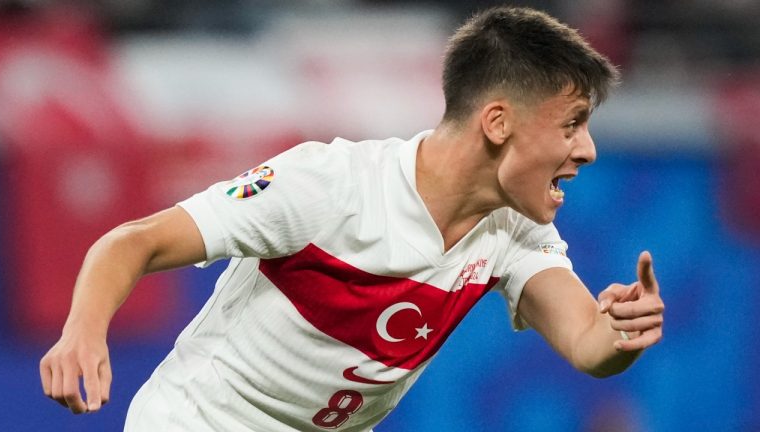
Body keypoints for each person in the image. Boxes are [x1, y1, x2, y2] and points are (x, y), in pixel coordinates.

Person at [40, 5, 665, 431]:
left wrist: (622, 333)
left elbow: (588, 343)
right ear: (497, 123)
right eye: (572, 124)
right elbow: (134, 242)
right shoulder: (326, 186)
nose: (587, 150)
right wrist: (83, 332)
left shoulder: (512, 228)